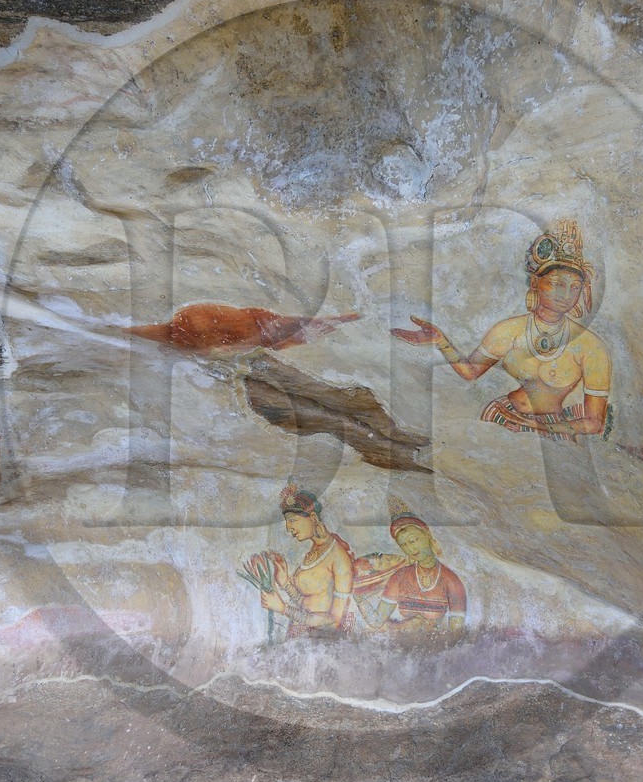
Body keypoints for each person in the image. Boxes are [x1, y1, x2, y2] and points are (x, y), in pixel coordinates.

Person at [393, 220, 611, 440]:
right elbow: (470, 372)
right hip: (504, 417)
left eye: (574, 287)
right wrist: (442, 342)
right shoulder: (510, 329)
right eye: (557, 284)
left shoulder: (590, 346)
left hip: (553, 428)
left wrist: (539, 426)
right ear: (536, 282)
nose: (566, 295)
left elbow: (594, 422)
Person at [355, 499, 467, 635]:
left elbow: (455, 634)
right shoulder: (399, 577)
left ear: (427, 536)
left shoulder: (451, 581)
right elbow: (377, 621)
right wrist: (360, 600)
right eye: (403, 544)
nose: (410, 548)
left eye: (413, 540)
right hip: (400, 644)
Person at [258, 485, 356, 637]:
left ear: (313, 518)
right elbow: (306, 602)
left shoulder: (339, 558)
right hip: (301, 635)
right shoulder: (315, 551)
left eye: (292, 520)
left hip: (320, 641)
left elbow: (333, 620)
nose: (288, 528)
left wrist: (283, 608)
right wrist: (284, 582)